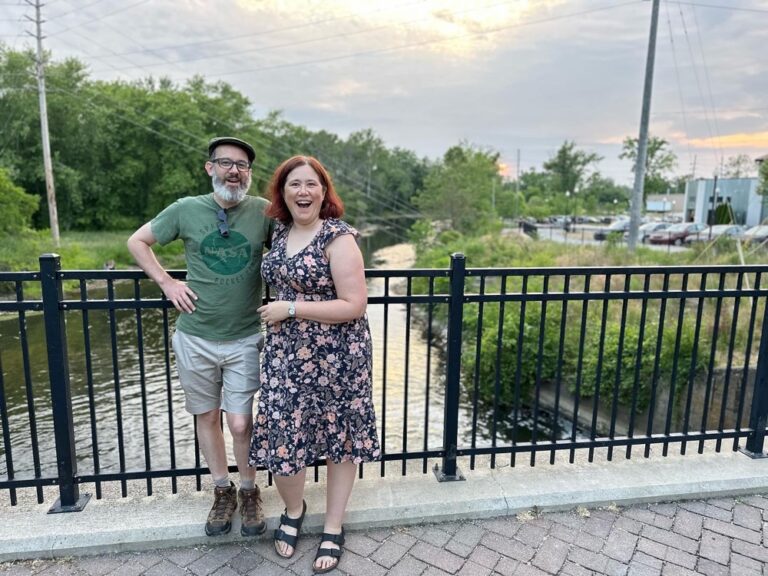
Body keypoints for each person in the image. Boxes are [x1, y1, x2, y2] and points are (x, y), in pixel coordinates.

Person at [127, 137, 274, 538]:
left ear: (248, 173)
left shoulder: (263, 211)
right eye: (225, 163)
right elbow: (137, 241)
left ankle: (249, 489)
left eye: (242, 165)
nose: (234, 171)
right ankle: (222, 490)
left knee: (241, 423)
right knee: (207, 416)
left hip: (245, 336)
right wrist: (167, 282)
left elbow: (297, 242)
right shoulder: (186, 209)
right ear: (209, 168)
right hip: (195, 336)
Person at [249, 155, 380, 574]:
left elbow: (354, 305)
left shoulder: (338, 237)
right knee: (285, 434)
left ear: (324, 192)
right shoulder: (280, 232)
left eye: (311, 184)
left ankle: (333, 526)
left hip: (338, 356)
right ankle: (293, 509)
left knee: (340, 440)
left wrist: (290, 307)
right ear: (282, 192)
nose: (303, 191)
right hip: (286, 355)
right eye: (294, 184)